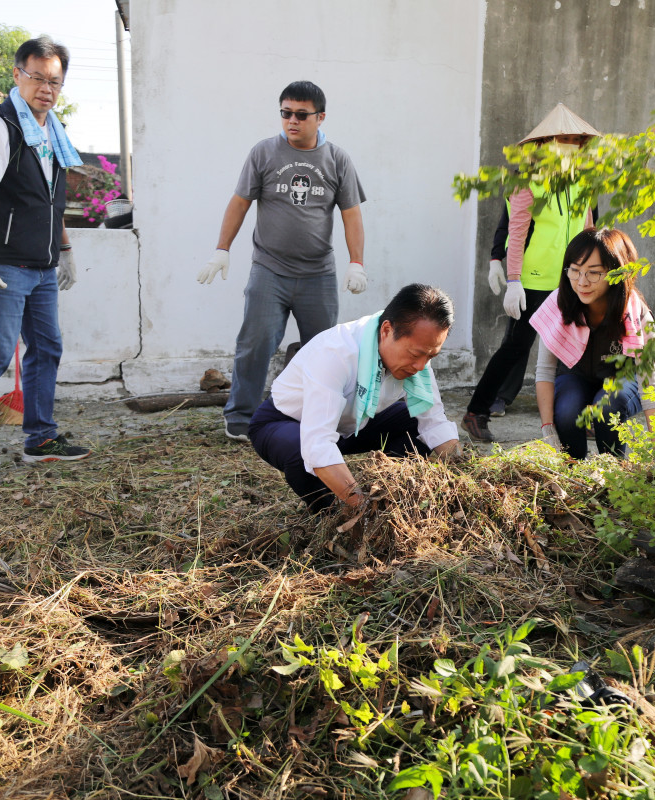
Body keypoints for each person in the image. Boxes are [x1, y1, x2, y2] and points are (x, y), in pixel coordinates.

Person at [0, 36, 88, 483]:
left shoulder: (51, 131)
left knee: (47, 348)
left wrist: (63, 248)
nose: (46, 88)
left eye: (55, 81)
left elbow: (50, 200)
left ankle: (40, 436)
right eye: (37, 77)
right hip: (5, 264)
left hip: (43, 267)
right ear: (17, 75)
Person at [198, 81, 367, 443]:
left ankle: (315, 416)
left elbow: (351, 214)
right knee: (256, 342)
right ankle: (241, 416)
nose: (292, 120)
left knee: (323, 350)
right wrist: (221, 249)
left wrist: (357, 263)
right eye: (286, 113)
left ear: (320, 117)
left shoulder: (337, 160)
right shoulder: (264, 153)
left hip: (318, 274)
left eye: (301, 114)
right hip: (269, 270)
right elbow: (240, 202)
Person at [248, 283, 462, 513]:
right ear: (387, 330)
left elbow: (434, 423)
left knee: (413, 423)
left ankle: (391, 496)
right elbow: (317, 443)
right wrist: (363, 510)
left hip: (351, 426)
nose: (421, 366)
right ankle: (333, 516)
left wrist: (465, 477)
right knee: (300, 449)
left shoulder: (419, 359)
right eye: (416, 354)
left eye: (431, 356)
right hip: (286, 424)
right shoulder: (336, 352)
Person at [461, 103, 598, 443]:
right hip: (534, 281)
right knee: (515, 347)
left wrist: (594, 272)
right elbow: (517, 232)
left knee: (581, 348)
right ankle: (475, 412)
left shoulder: (583, 180)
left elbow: (589, 228)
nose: (569, 144)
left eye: (574, 139)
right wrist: (514, 280)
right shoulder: (528, 182)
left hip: (571, 279)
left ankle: (585, 416)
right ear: (545, 143)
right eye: (562, 138)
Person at [529, 228, 655, 459]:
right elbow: (544, 371)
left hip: (622, 380)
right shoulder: (559, 304)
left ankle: (614, 475)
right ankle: (573, 473)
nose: (582, 282)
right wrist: (547, 429)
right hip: (576, 376)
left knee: (606, 407)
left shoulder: (637, 314)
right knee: (567, 412)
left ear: (616, 274)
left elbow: (650, 386)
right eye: (575, 271)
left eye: (593, 273)